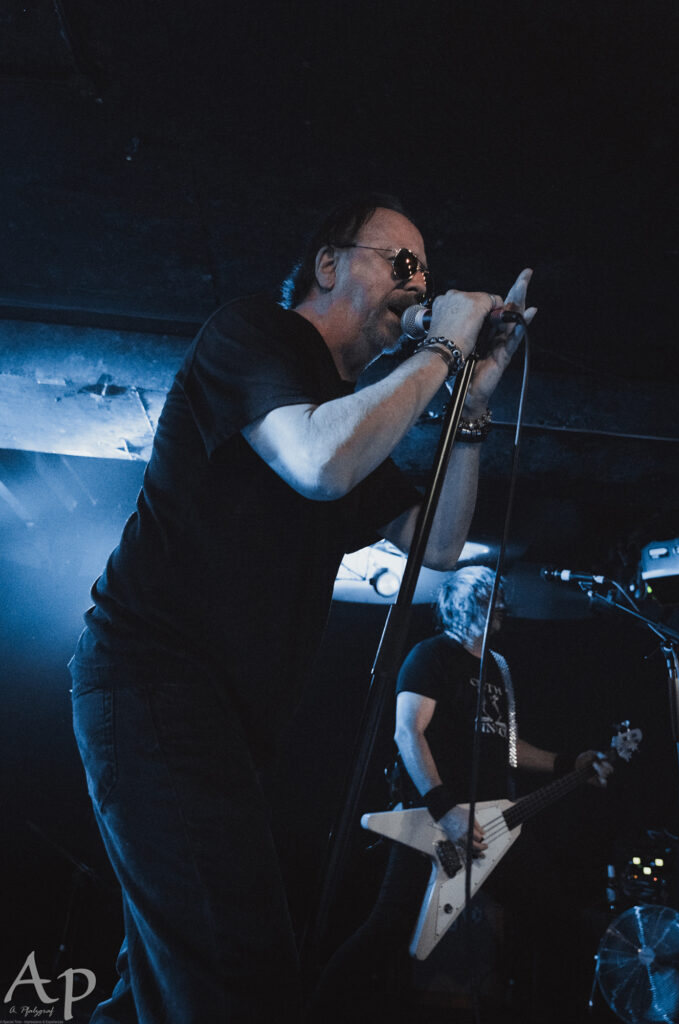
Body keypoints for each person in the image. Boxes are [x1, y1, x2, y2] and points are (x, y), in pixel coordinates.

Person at [69, 194, 535, 1023]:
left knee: (165, 982)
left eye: (425, 272)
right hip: (152, 682)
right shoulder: (255, 336)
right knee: (238, 970)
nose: (417, 282)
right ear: (328, 264)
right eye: (401, 263)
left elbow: (440, 544)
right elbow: (319, 462)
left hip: (225, 722)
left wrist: (472, 400)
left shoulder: (354, 420)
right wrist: (441, 343)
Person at [306, 565, 611, 1022]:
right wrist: (445, 808)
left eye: (500, 600)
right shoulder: (430, 656)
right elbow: (408, 733)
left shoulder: (498, 669)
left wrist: (569, 763)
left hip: (494, 824)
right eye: (489, 599)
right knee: (387, 928)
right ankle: (311, 1010)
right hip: (433, 819)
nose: (500, 609)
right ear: (461, 604)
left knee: (555, 918)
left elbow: (506, 747)